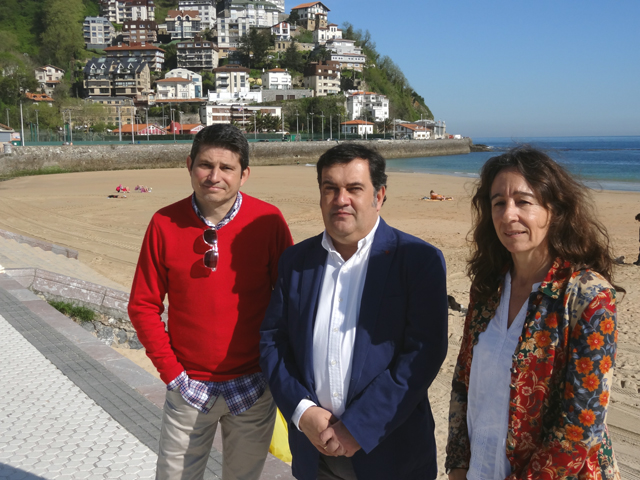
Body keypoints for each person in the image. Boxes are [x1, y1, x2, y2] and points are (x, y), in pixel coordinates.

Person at [260, 143, 449, 480]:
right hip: (314, 455)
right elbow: (274, 342)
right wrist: (303, 411)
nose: (340, 199)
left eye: (354, 188)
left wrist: (357, 428)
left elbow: (421, 357)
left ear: (379, 196)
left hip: (390, 455)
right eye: (330, 188)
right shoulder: (296, 262)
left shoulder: (419, 260)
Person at [446, 146, 624, 480]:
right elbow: (462, 384)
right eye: (498, 202)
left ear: (553, 210)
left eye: (523, 202)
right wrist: (458, 465)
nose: (508, 214)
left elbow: (580, 425)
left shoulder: (587, 296)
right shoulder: (488, 289)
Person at [128, 124, 293, 480]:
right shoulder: (163, 222)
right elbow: (143, 305)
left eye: (226, 168)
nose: (214, 176)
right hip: (188, 387)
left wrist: (273, 371)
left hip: (253, 386)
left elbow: (289, 300)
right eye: (205, 165)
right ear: (189, 165)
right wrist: (173, 374)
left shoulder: (268, 221)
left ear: (244, 174)